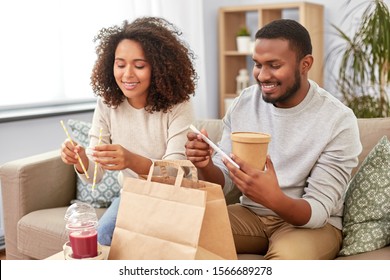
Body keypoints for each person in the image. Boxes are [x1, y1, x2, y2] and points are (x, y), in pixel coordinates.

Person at [185, 19, 362, 260]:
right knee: (182, 229)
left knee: (287, 261)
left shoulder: (338, 120)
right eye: (257, 64)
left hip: (311, 226)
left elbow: (319, 210)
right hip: (251, 214)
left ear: (305, 64)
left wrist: (274, 198)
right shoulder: (244, 103)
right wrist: (205, 164)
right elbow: (224, 180)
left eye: (274, 65)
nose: (262, 75)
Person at [61, 16, 198, 245]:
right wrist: (81, 159)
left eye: (139, 65)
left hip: (172, 200)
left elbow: (177, 174)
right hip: (132, 197)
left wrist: (132, 161)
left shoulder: (178, 105)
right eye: (120, 64)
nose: (127, 75)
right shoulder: (107, 103)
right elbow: (95, 176)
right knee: (103, 237)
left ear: (160, 67)